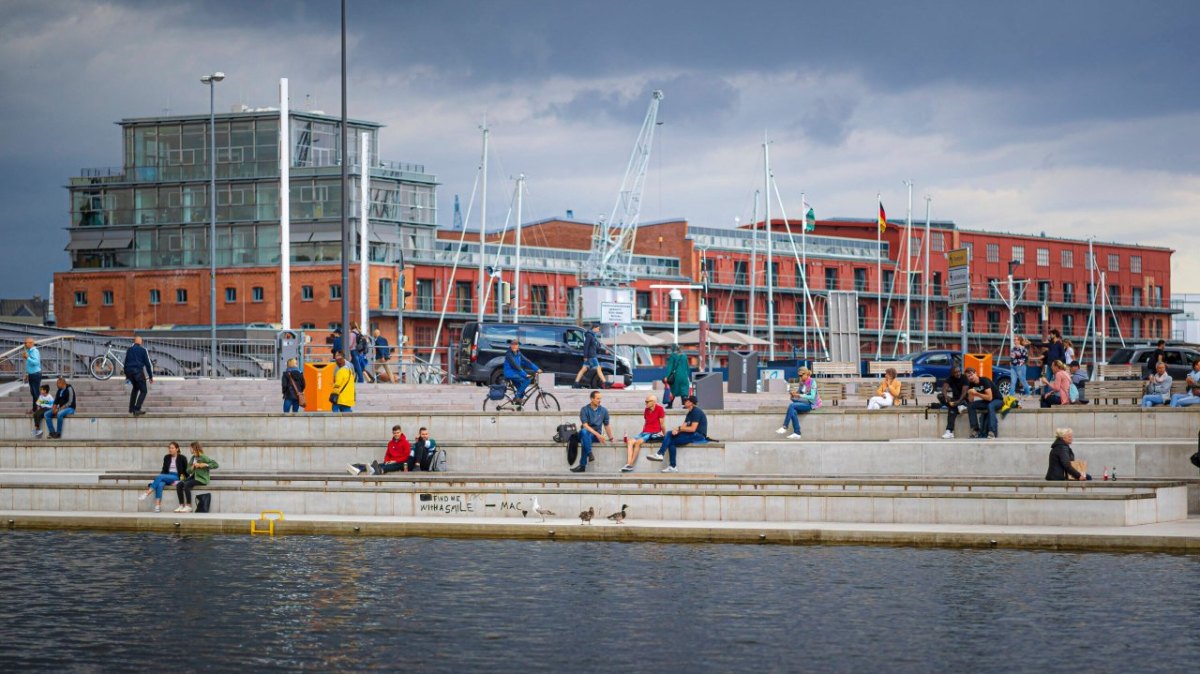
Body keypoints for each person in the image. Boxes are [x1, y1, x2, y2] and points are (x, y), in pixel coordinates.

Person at [646, 395, 708, 473]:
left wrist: (678, 429)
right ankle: (663, 457)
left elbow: (692, 429)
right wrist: (676, 430)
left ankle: (669, 462)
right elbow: (683, 426)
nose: (684, 402)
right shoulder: (690, 413)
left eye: (686, 401)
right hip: (691, 434)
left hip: (698, 436)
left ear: (691, 403)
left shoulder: (696, 412)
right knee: (669, 433)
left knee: (671, 441)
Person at [138, 441, 187, 513]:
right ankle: (157, 506)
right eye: (169, 448)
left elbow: (185, 470)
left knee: (160, 477)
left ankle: (147, 493)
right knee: (160, 484)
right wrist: (159, 479)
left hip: (177, 476)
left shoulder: (182, 458)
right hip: (167, 475)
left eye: (172, 448)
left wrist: (183, 480)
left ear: (177, 449)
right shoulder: (167, 457)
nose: (170, 450)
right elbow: (164, 470)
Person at [572, 390, 614, 473]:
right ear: (592, 399)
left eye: (600, 398)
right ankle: (589, 453)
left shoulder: (604, 410)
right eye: (597, 398)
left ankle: (582, 466)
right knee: (584, 432)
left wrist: (611, 438)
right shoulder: (584, 409)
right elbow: (585, 425)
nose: (600, 400)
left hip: (594, 436)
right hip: (587, 432)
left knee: (585, 439)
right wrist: (598, 435)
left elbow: (606, 425)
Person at [623, 395, 666, 472]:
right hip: (644, 432)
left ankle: (630, 465)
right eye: (645, 401)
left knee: (638, 442)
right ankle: (628, 464)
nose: (645, 403)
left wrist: (665, 435)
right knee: (629, 441)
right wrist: (643, 431)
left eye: (647, 401)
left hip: (653, 432)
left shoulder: (660, 409)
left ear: (653, 402)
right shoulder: (646, 410)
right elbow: (646, 421)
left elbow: (662, 424)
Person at [175, 441, 218, 513]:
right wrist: (192, 467)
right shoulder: (193, 458)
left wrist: (205, 464)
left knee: (186, 484)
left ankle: (189, 506)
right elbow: (188, 471)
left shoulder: (203, 457)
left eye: (190, 448)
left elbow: (215, 464)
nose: (190, 449)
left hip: (202, 479)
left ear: (194, 448)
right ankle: (181, 505)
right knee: (179, 484)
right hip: (194, 477)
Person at [776, 367, 817, 439]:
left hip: (810, 404)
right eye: (799, 376)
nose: (800, 377)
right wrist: (794, 394)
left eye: (801, 375)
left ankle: (785, 426)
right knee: (793, 411)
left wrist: (799, 395)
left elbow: (812, 397)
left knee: (792, 406)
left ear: (807, 374)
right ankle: (797, 433)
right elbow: (799, 393)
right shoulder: (802, 382)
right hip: (802, 402)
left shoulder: (812, 382)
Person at [965, 367, 1003, 439]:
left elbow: (990, 397)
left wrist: (976, 394)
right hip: (987, 402)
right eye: (968, 376)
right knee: (970, 405)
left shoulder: (984, 381)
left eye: (971, 375)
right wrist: (970, 393)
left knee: (990, 406)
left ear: (976, 373)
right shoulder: (971, 384)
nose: (970, 377)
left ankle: (992, 431)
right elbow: (971, 401)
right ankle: (975, 430)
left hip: (997, 400)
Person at [124, 335, 154, 416]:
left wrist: (127, 376)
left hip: (129, 372)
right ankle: (137, 409)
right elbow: (148, 364)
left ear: (134, 341)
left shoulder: (129, 350)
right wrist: (151, 376)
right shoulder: (143, 350)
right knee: (144, 390)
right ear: (140, 342)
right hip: (137, 372)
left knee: (135, 388)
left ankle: (131, 408)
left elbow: (125, 362)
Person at [939, 366, 969, 439]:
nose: (958, 373)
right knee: (940, 396)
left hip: (963, 399)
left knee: (952, 409)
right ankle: (958, 406)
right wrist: (946, 396)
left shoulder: (964, 378)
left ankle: (949, 431)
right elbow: (944, 388)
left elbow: (964, 393)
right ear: (952, 374)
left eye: (959, 371)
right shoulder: (950, 378)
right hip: (955, 400)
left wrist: (958, 401)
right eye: (956, 372)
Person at [574, 324, 606, 389]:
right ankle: (605, 382)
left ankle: (576, 383)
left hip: (592, 355)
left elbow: (595, 346)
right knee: (598, 368)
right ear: (594, 328)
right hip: (591, 356)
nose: (598, 330)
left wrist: (600, 346)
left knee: (583, 369)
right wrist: (585, 356)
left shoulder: (593, 336)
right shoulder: (589, 335)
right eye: (598, 328)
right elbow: (586, 346)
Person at [662, 344, 691, 409]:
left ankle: (670, 405)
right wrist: (686, 375)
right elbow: (687, 367)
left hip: (676, 376)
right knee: (684, 390)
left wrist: (667, 376)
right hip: (684, 376)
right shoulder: (684, 356)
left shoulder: (672, 356)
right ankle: (686, 405)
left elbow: (670, 367)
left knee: (673, 390)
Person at [22, 337, 41, 412]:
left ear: (31, 343)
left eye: (26, 343)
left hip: (35, 374)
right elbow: (30, 364)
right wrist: (28, 373)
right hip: (32, 374)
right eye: (25, 343)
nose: (25, 344)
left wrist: (28, 358)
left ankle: (38, 408)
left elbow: (36, 362)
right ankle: (35, 409)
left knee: (36, 392)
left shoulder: (34, 351)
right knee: (33, 392)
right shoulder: (29, 351)